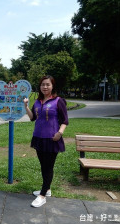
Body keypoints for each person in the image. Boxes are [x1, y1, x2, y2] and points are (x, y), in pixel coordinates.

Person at [23, 75, 68, 208]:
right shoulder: (37, 102)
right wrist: (26, 107)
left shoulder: (58, 101)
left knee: (48, 167)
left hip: (52, 139)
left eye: (48, 84)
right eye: (43, 84)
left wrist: (60, 133)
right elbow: (33, 118)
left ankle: (42, 196)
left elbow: (65, 120)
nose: (45, 87)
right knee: (43, 166)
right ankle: (47, 189)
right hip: (38, 138)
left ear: (52, 86)